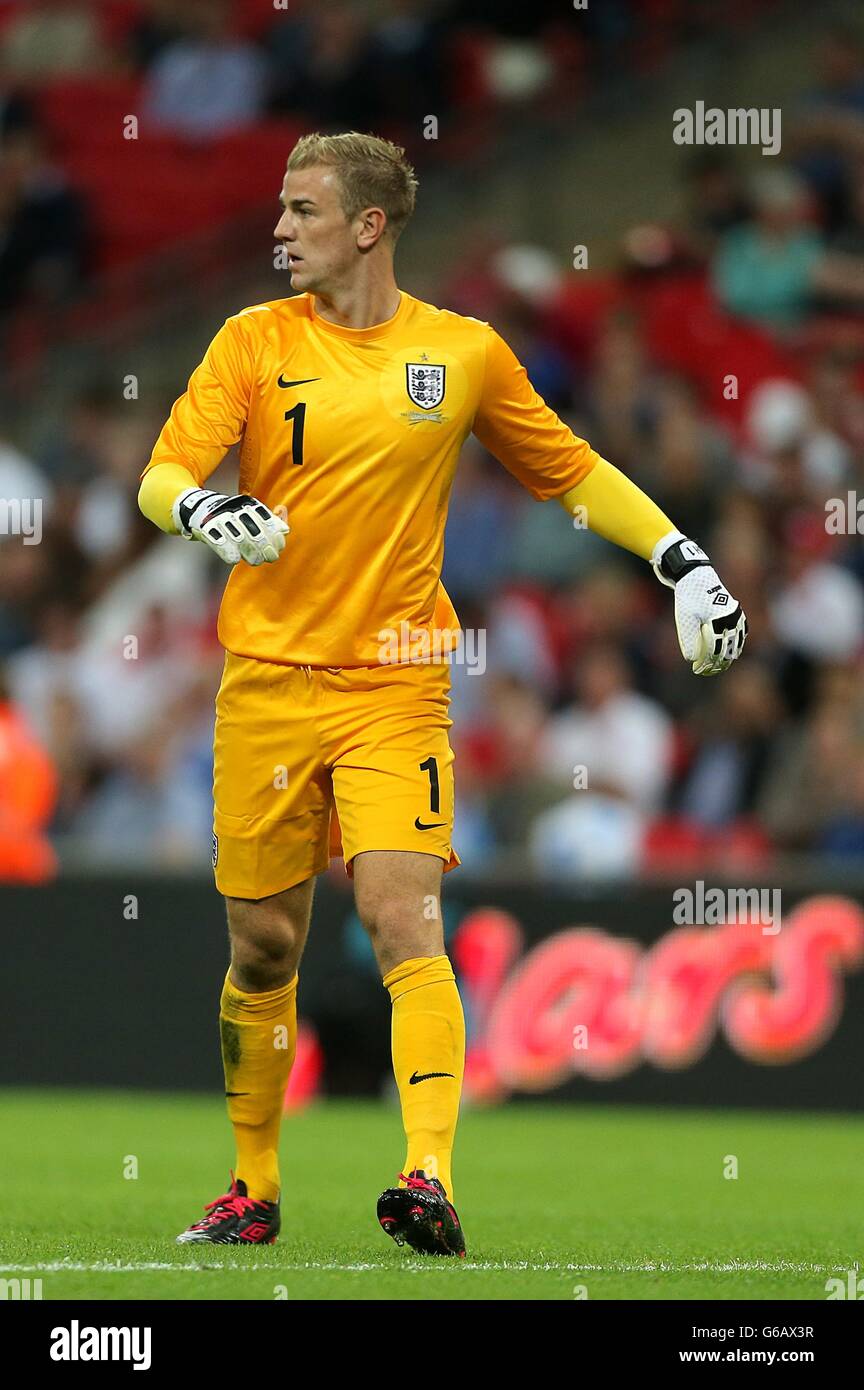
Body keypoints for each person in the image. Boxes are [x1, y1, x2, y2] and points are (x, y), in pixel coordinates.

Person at [138, 132, 747, 1256]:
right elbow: (163, 470)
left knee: (404, 914)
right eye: (280, 208)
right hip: (266, 681)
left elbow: (568, 466)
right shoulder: (250, 341)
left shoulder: (461, 354)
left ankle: (428, 1175)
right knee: (263, 948)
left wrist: (682, 559)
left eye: (303, 210)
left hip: (398, 684)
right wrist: (201, 512)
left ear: (369, 225)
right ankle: (252, 1187)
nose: (279, 229)